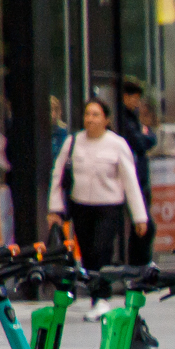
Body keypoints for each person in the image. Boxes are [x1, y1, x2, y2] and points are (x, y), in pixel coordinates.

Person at [50, 96, 150, 268]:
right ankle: (92, 288)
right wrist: (55, 209)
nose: (90, 119)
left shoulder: (117, 144)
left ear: (106, 120)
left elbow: (130, 183)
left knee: (101, 250)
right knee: (87, 253)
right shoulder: (73, 142)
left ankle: (102, 290)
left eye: (96, 115)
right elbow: (57, 175)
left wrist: (139, 217)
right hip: (80, 207)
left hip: (108, 208)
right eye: (87, 114)